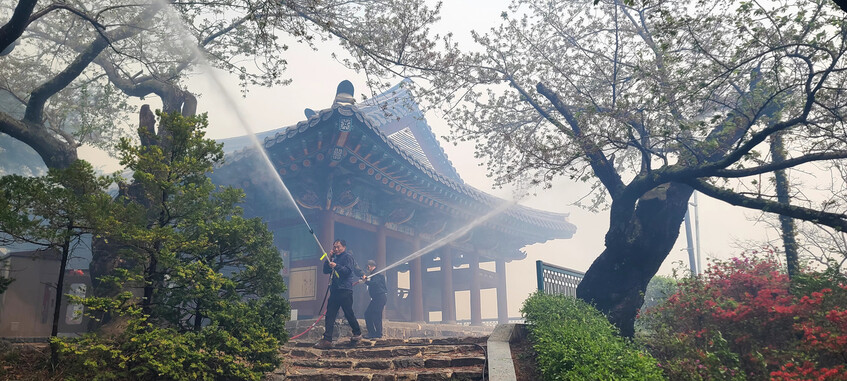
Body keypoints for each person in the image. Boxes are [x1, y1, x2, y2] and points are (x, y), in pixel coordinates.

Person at [315, 239, 364, 349]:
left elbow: (347, 271)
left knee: (348, 313)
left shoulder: (347, 257)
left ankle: (357, 333)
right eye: (334, 247)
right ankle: (327, 339)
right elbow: (325, 271)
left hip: (345, 290)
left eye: (338, 247)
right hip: (335, 290)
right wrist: (329, 258)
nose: (336, 249)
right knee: (330, 315)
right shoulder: (334, 258)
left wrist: (336, 265)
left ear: (344, 247)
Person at [363, 260, 387, 339]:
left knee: (376, 315)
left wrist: (365, 281)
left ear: (369, 266)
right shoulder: (375, 274)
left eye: (367, 267)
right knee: (368, 314)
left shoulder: (376, 274)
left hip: (379, 298)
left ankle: (377, 334)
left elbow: (375, 283)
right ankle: (373, 333)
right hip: (377, 298)